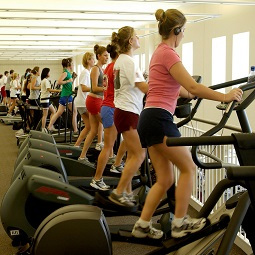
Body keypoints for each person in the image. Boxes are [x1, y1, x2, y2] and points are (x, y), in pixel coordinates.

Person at [131, 8, 243, 240]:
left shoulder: (159, 53)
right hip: (160, 119)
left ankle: (142, 225)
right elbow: (192, 86)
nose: (184, 37)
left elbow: (183, 89)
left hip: (149, 118)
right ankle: (180, 223)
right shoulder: (169, 54)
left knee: (165, 179)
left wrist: (190, 93)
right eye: (183, 32)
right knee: (189, 167)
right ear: (177, 30)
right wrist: (224, 96)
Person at [108, 26, 148, 206]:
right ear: (131, 41)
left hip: (124, 111)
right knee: (140, 154)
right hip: (128, 112)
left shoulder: (121, 61)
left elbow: (136, 83)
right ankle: (118, 192)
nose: (139, 38)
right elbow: (144, 87)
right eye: (136, 36)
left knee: (133, 154)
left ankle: (128, 192)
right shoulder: (129, 62)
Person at [90, 43, 126, 190]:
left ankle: (117, 164)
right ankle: (97, 179)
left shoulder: (109, 67)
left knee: (128, 136)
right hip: (110, 107)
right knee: (108, 146)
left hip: (109, 106)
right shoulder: (115, 68)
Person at [78, 45, 108, 165]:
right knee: (108, 127)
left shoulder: (102, 69)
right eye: (105, 55)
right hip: (94, 101)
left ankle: (82, 156)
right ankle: (110, 155)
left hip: (95, 100)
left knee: (94, 130)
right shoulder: (95, 69)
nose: (107, 57)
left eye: (108, 55)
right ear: (99, 56)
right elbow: (95, 87)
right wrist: (106, 89)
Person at [47, 58, 78, 135]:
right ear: (69, 64)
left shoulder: (68, 73)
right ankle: (75, 130)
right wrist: (68, 80)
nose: (73, 65)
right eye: (72, 63)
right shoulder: (65, 73)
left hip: (65, 95)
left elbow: (69, 84)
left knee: (58, 113)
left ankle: (49, 127)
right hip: (67, 96)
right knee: (75, 112)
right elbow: (59, 82)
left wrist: (73, 78)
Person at [74, 52, 95, 147]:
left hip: (81, 103)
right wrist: (95, 88)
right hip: (83, 103)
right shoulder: (85, 73)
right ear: (88, 60)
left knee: (88, 126)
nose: (94, 61)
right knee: (97, 125)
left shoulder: (88, 72)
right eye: (92, 59)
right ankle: (101, 144)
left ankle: (77, 145)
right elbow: (83, 88)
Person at [40, 68, 61, 132]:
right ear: (46, 73)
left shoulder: (44, 80)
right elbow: (49, 90)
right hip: (45, 100)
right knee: (45, 115)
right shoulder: (45, 81)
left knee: (54, 111)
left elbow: (48, 90)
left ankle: (50, 126)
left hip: (47, 99)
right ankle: (43, 128)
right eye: (49, 72)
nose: (49, 73)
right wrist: (58, 90)